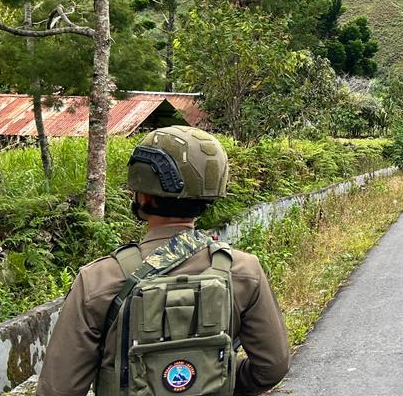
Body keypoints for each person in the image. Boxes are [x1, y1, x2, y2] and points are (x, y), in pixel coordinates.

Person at [36, 126, 290, 396]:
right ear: (210, 195)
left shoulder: (98, 280)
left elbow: (57, 389)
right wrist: (220, 379)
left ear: (143, 195)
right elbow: (273, 366)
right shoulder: (242, 270)